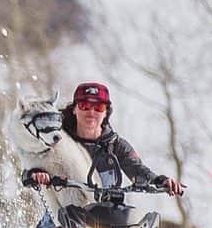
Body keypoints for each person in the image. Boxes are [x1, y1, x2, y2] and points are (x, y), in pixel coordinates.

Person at [24, 82, 184, 196]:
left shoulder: (116, 145)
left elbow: (138, 170)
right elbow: (32, 166)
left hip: (108, 215)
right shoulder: (56, 141)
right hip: (64, 216)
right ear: (74, 109)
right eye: (85, 106)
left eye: (99, 107)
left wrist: (161, 181)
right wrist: (37, 174)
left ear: (106, 112)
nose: (91, 112)